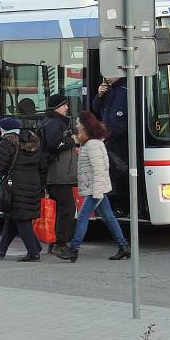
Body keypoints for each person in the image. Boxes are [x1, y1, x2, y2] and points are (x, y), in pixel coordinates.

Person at [60, 111, 130, 262]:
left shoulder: (92, 145)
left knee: (83, 217)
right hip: (97, 187)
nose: (77, 126)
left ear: (86, 126)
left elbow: (99, 170)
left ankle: (74, 249)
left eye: (79, 123)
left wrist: (97, 192)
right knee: (109, 217)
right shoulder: (90, 143)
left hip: (95, 188)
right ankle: (123, 246)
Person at [0, 117, 48, 262]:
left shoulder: (6, 143)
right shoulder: (33, 141)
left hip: (15, 187)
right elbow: (43, 167)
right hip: (33, 185)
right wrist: (40, 185)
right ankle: (2, 249)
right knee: (12, 217)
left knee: (22, 220)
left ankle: (34, 252)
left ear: (4, 129)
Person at [39, 94, 77, 258]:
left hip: (57, 173)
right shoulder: (54, 123)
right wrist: (71, 140)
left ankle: (55, 243)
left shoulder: (52, 121)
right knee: (67, 209)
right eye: (64, 105)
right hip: (57, 174)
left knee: (60, 209)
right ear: (56, 107)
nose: (67, 108)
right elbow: (54, 144)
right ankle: (60, 244)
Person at [92, 76, 129, 214]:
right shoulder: (108, 90)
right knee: (113, 174)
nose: (107, 77)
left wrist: (115, 131)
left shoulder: (126, 88)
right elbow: (96, 108)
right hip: (109, 139)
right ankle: (115, 207)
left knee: (121, 174)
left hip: (122, 139)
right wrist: (100, 95)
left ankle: (123, 206)